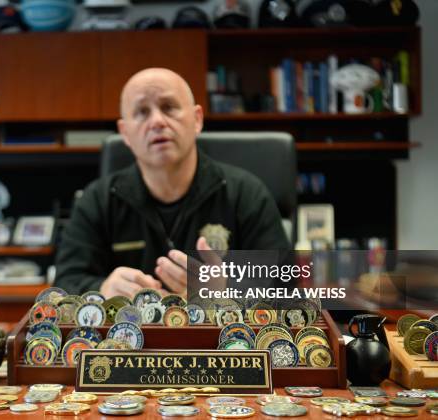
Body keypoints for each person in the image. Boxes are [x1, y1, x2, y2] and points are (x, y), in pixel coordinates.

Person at [54, 68, 290, 298]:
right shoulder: (98, 200)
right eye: (142, 112)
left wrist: (227, 289)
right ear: (125, 133)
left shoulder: (245, 194)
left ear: (197, 119)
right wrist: (102, 290)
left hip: (221, 336)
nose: (157, 121)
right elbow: (65, 284)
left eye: (168, 107)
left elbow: (286, 285)